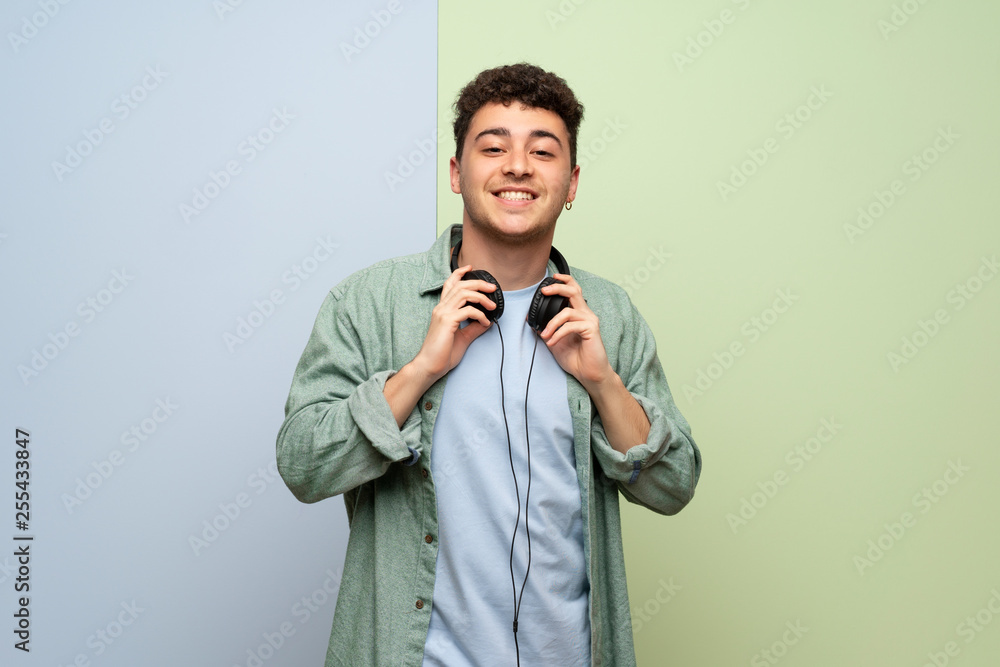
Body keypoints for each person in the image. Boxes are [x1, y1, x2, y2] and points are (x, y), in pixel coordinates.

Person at [276, 63, 701, 666]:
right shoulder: (368, 303)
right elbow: (303, 466)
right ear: (457, 172)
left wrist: (603, 382)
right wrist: (421, 369)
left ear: (572, 182)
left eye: (543, 151)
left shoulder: (609, 313)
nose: (518, 166)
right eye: (494, 147)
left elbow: (673, 486)